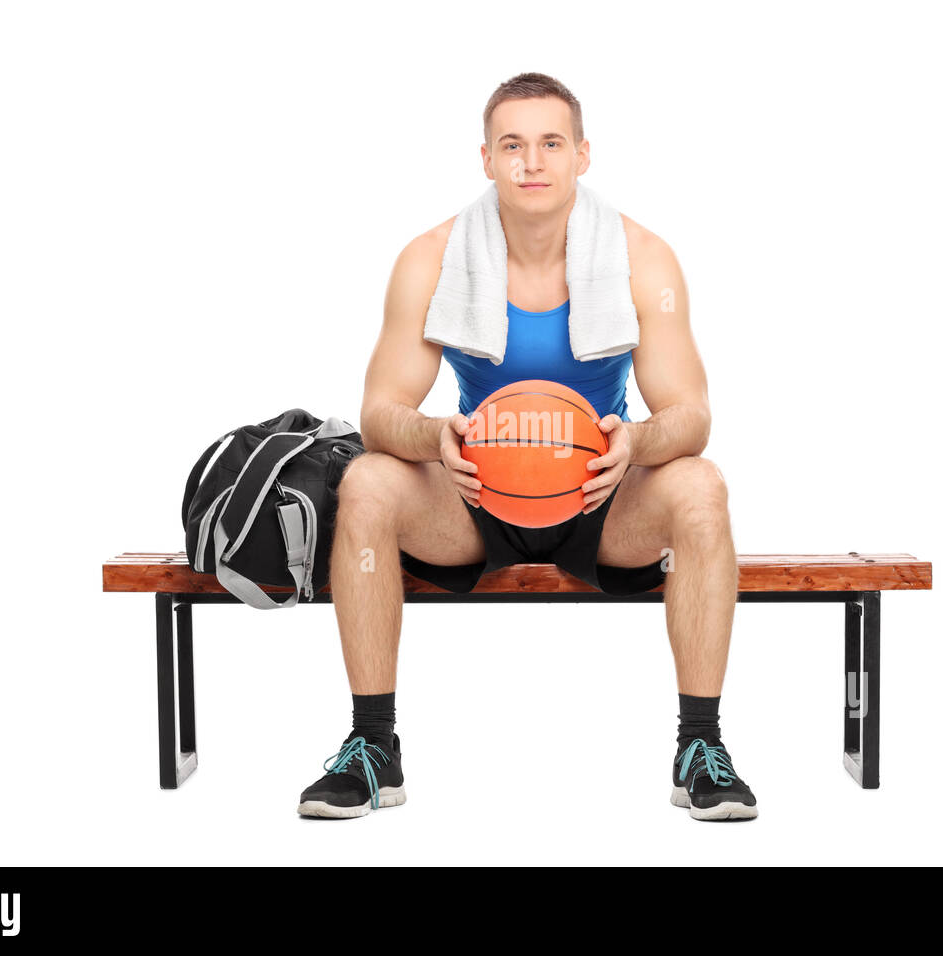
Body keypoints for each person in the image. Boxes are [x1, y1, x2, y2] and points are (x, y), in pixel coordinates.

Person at [296, 73, 756, 821]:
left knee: (701, 484)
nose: (531, 162)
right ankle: (373, 746)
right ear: (486, 159)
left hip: (599, 497)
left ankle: (700, 748)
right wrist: (430, 436)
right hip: (474, 496)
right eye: (513, 145)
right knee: (371, 481)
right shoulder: (431, 257)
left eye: (549, 143)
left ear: (582, 155)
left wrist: (636, 441)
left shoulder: (643, 258)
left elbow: (693, 416)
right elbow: (380, 413)